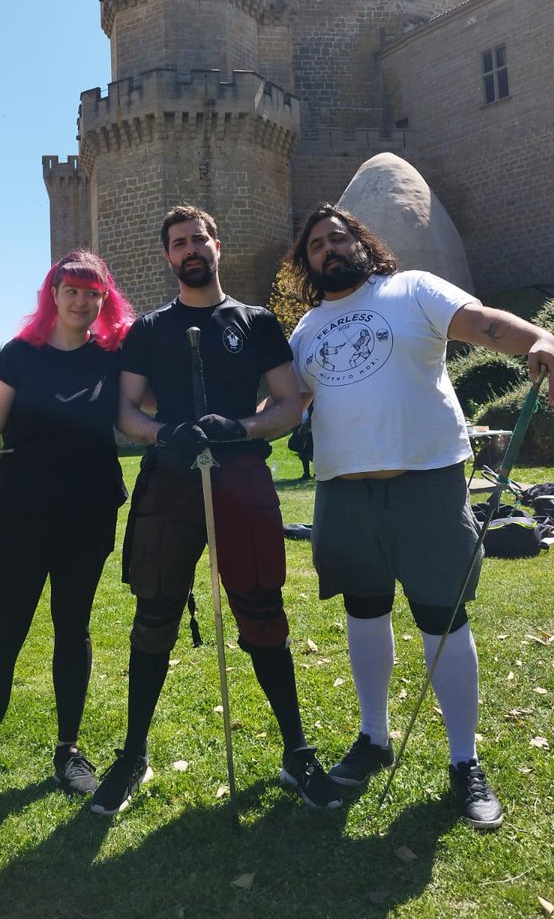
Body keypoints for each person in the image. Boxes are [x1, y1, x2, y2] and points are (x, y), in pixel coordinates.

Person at [287, 203, 554, 830]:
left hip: (427, 485)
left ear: (362, 243)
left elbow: (484, 325)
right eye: (316, 245)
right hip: (345, 493)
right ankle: (373, 738)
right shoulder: (304, 332)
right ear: (306, 263)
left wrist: (539, 339)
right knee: (364, 610)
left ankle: (464, 761)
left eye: (340, 237)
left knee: (443, 616)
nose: (330, 249)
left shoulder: (412, 289)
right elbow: (285, 404)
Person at [89, 204, 341, 816]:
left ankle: (296, 752)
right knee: (154, 613)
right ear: (168, 256)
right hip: (170, 481)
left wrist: (239, 425)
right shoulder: (148, 330)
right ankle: (132, 755)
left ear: (217, 246)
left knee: (261, 609)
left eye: (198, 238)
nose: (190, 249)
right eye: (178, 243)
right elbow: (126, 411)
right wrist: (162, 434)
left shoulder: (254, 323)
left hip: (242, 476)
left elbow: (287, 405)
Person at [0, 251, 134, 850]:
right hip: (21, 520)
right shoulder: (20, 354)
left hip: (88, 517)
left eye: (92, 292)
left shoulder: (111, 359)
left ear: (103, 299)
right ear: (53, 294)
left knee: (74, 630)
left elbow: (139, 408)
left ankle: (68, 750)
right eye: (70, 290)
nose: (81, 301)